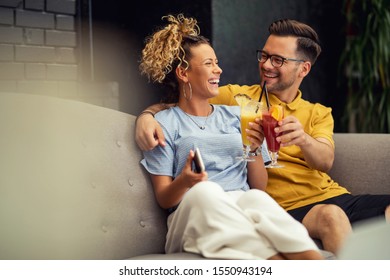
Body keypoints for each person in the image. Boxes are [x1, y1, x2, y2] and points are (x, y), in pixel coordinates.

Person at [135, 18, 390, 255]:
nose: (266, 65)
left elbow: (324, 161)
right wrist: (146, 117)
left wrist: (301, 139)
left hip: (324, 195)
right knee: (327, 215)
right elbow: (185, 103)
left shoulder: (317, 112)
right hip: (282, 206)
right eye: (265, 56)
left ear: (303, 69)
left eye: (278, 60)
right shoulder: (239, 100)